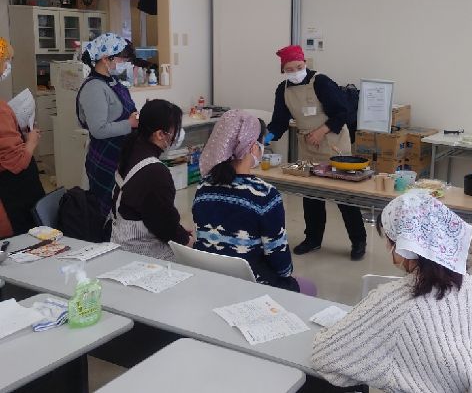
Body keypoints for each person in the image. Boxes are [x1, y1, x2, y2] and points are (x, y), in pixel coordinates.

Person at [312, 192, 472, 392]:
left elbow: (326, 356)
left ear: (403, 246)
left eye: (388, 240)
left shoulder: (395, 303)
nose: (387, 247)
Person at [193, 110, 317, 295]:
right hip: (253, 286)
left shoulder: (203, 188)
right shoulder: (265, 195)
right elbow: (281, 263)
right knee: (309, 288)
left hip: (211, 280)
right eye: (262, 144)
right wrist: (286, 274)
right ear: (252, 147)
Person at [265, 45, 367, 260]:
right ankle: (313, 238)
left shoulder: (321, 82)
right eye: (289, 69)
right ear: (283, 70)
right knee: (311, 194)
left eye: (298, 67)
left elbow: (343, 112)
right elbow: (279, 120)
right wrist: (266, 137)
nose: (295, 72)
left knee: (343, 194)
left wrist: (321, 131)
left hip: (333, 143)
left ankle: (358, 241)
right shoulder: (283, 89)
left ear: (305, 63)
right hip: (308, 146)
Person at [110, 99, 192, 260]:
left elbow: (156, 212)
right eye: (175, 130)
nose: (177, 134)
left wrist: (179, 231)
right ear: (160, 134)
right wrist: (185, 240)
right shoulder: (155, 172)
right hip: (143, 255)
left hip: (120, 241)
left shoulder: (132, 148)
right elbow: (163, 223)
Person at [78, 33, 139, 217]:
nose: (125, 63)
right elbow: (98, 130)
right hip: (105, 158)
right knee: (105, 212)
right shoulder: (94, 88)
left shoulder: (113, 82)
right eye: (122, 59)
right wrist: (129, 123)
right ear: (106, 58)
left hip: (121, 155)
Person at [0, 37, 45, 238]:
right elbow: (16, 162)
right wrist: (31, 142)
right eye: (5, 60)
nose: (7, 66)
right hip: (10, 197)